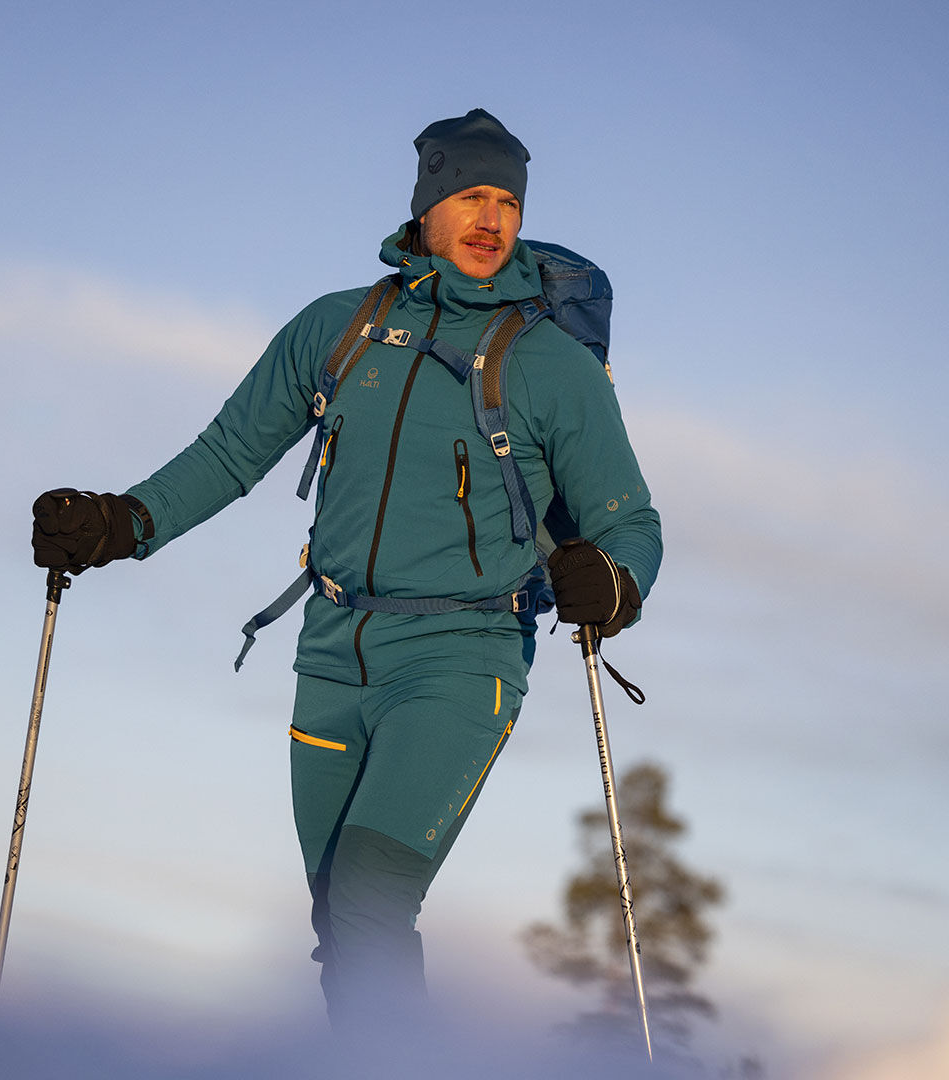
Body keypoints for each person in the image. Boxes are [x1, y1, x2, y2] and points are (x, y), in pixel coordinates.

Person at [32, 108, 662, 1035]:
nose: (491, 219)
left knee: (370, 901)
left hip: (460, 658)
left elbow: (628, 520)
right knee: (339, 920)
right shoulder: (341, 328)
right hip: (330, 657)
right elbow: (230, 452)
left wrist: (615, 581)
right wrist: (124, 522)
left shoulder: (550, 363)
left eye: (507, 202)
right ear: (426, 204)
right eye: (469, 196)